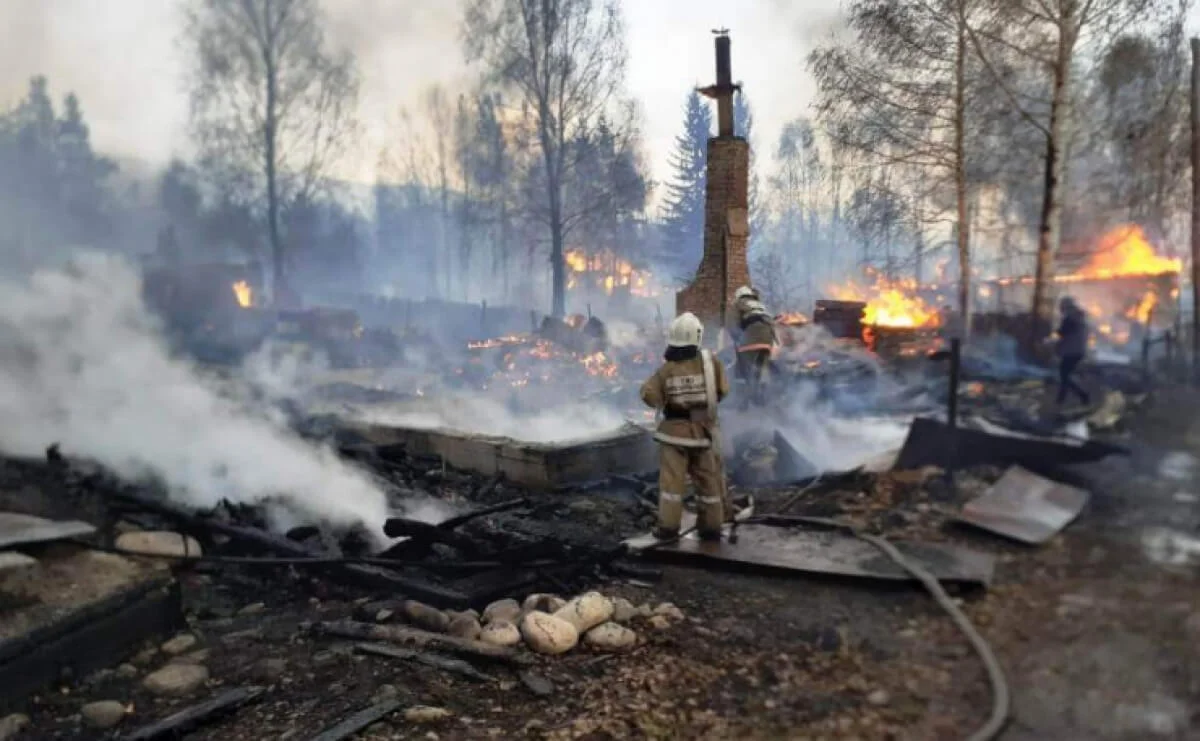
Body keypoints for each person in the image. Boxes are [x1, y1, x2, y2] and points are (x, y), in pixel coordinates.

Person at [640, 312, 729, 541]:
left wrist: (668, 401)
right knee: (708, 482)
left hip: (673, 436)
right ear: (697, 336)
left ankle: (668, 529)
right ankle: (711, 528)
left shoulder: (666, 370)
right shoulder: (711, 363)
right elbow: (723, 391)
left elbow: (648, 395)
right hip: (703, 432)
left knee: (672, 485)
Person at [732, 285, 777, 407]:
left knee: (744, 370)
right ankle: (760, 400)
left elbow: (733, 325)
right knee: (761, 371)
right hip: (768, 340)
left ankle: (743, 403)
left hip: (752, 337)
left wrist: (737, 340)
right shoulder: (760, 305)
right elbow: (771, 323)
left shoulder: (738, 304)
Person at [1055, 296, 1090, 406]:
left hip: (1072, 351)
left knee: (1064, 375)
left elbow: (1062, 333)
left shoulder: (1070, 318)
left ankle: (1083, 395)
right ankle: (1061, 398)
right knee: (1064, 374)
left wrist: (1052, 339)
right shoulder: (1079, 317)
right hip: (1079, 350)